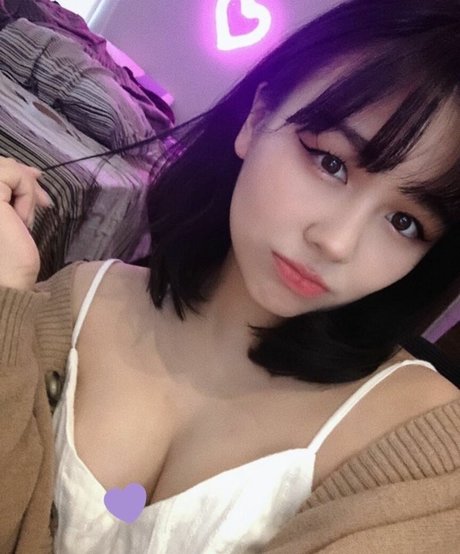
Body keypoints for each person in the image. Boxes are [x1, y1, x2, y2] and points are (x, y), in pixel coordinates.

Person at [1, 0, 459, 552]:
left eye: (405, 223)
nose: (336, 242)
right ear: (256, 119)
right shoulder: (76, 300)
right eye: (331, 163)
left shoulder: (424, 454)